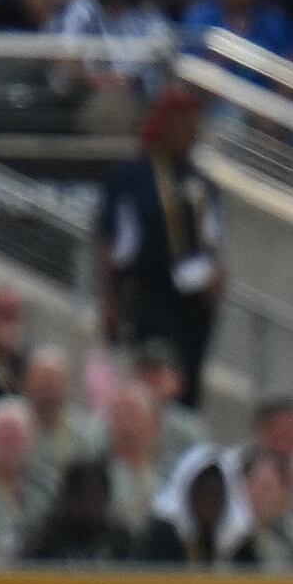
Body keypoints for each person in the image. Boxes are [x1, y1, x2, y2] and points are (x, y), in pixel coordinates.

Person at [96, 90, 225, 403]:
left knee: (186, 379)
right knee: (152, 370)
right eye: (180, 122)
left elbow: (212, 239)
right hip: (147, 290)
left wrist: (216, 277)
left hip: (192, 299)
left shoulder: (202, 183)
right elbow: (108, 238)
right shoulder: (131, 177)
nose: (187, 131)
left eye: (191, 123)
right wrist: (109, 298)